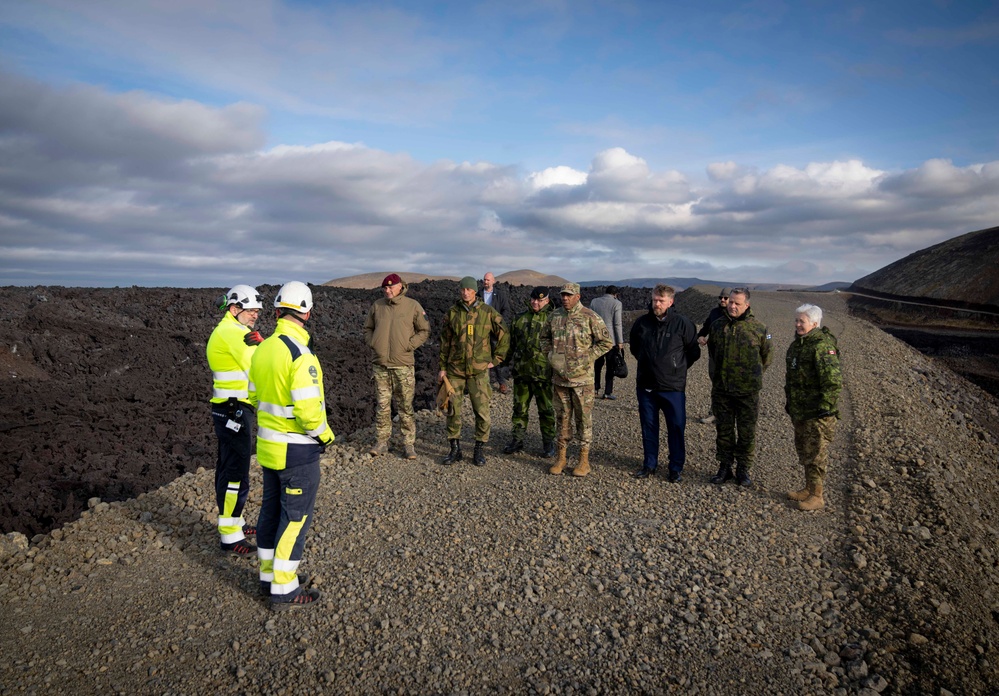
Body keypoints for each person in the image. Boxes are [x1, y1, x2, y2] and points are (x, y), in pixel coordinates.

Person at [249, 281, 334, 610]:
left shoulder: (264, 349)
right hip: (297, 452)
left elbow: (254, 396)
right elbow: (309, 413)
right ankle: (284, 590)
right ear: (307, 313)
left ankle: (268, 576)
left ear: (277, 311)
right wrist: (325, 435)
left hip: (269, 449)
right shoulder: (302, 354)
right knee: (294, 519)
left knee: (270, 512)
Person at [206, 284, 264, 557]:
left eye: (257, 311)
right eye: (250, 310)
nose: (255, 315)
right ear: (234, 309)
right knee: (235, 474)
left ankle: (234, 522)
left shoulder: (234, 330)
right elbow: (258, 369)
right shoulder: (232, 333)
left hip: (230, 410)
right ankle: (230, 536)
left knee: (228, 467)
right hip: (234, 411)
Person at [540, 282, 614, 477]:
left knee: (583, 419)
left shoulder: (590, 317)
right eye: (563, 295)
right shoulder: (554, 316)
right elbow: (544, 338)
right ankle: (561, 458)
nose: (565, 298)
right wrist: (550, 356)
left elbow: (606, 342)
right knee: (562, 418)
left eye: (569, 295)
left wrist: (586, 358)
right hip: (560, 380)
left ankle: (583, 460)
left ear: (577, 297)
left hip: (582, 380)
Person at [629, 285, 701, 482]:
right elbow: (635, 348)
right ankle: (649, 464)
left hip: (673, 387)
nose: (657, 304)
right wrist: (648, 364)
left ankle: (675, 467)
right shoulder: (642, 323)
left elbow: (693, 352)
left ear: (671, 302)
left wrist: (676, 368)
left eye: (661, 301)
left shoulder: (683, 324)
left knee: (676, 427)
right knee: (648, 426)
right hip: (646, 386)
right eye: (654, 300)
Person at [438, 276, 509, 466]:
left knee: (482, 411)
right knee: (453, 410)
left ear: (475, 291)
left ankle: (479, 449)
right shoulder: (452, 313)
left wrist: (496, 359)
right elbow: (445, 342)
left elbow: (504, 334)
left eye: (469, 290)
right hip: (455, 370)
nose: (465, 293)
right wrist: (443, 368)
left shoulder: (487, 312)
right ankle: (455, 449)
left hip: (478, 371)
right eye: (462, 289)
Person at [707, 288, 772, 487]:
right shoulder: (717, 326)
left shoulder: (759, 328)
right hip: (722, 390)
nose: (732, 306)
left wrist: (748, 377)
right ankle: (724, 467)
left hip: (747, 392)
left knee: (746, 432)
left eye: (737, 303)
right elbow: (713, 352)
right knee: (724, 430)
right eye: (731, 302)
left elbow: (767, 357)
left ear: (747, 305)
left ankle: (743, 469)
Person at [363, 273, 431, 460]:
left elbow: (424, 330)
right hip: (381, 365)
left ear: (400, 286)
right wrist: (373, 343)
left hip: (403, 366)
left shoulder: (412, 306)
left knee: (405, 407)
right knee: (382, 406)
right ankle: (381, 442)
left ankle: (408, 444)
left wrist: (409, 345)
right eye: (385, 288)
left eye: (391, 287)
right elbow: (367, 328)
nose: (387, 290)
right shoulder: (377, 306)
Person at [784, 304, 842, 511]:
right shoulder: (799, 344)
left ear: (815, 323)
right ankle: (808, 489)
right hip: (801, 410)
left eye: (802, 321)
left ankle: (817, 496)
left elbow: (833, 381)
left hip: (817, 413)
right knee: (805, 450)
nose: (798, 324)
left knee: (817, 452)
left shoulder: (821, 346)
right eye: (797, 320)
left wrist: (825, 408)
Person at [503, 286, 557, 458]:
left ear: (547, 300)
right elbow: (510, 344)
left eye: (539, 300)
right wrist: (502, 362)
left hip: (544, 375)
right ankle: (517, 440)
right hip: (522, 373)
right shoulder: (520, 318)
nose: (535, 303)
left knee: (546, 410)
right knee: (519, 409)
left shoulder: (554, 319)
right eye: (533, 299)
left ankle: (549, 443)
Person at [696, 288, 732, 423]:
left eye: (725, 298)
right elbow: (705, 328)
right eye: (720, 297)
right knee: (716, 385)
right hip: (714, 356)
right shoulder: (714, 313)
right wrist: (700, 336)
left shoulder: (736, 316)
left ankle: (729, 414)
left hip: (731, 359)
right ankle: (715, 413)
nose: (722, 300)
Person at [590, 286, 625, 400]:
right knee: (610, 366)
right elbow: (617, 324)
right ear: (615, 294)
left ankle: (595, 389)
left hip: (596, 338)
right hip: (611, 340)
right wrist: (620, 341)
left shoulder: (594, 302)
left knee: (597, 365)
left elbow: (589, 320)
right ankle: (607, 392)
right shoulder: (616, 303)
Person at [481, 272, 512, 394]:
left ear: (493, 281)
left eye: (488, 280)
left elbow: (506, 310)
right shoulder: (478, 294)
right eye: (484, 279)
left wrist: (500, 325)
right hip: (481, 331)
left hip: (495, 331)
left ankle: (501, 383)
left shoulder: (500, 295)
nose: (486, 282)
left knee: (496, 356)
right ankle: (483, 384)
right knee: (481, 356)